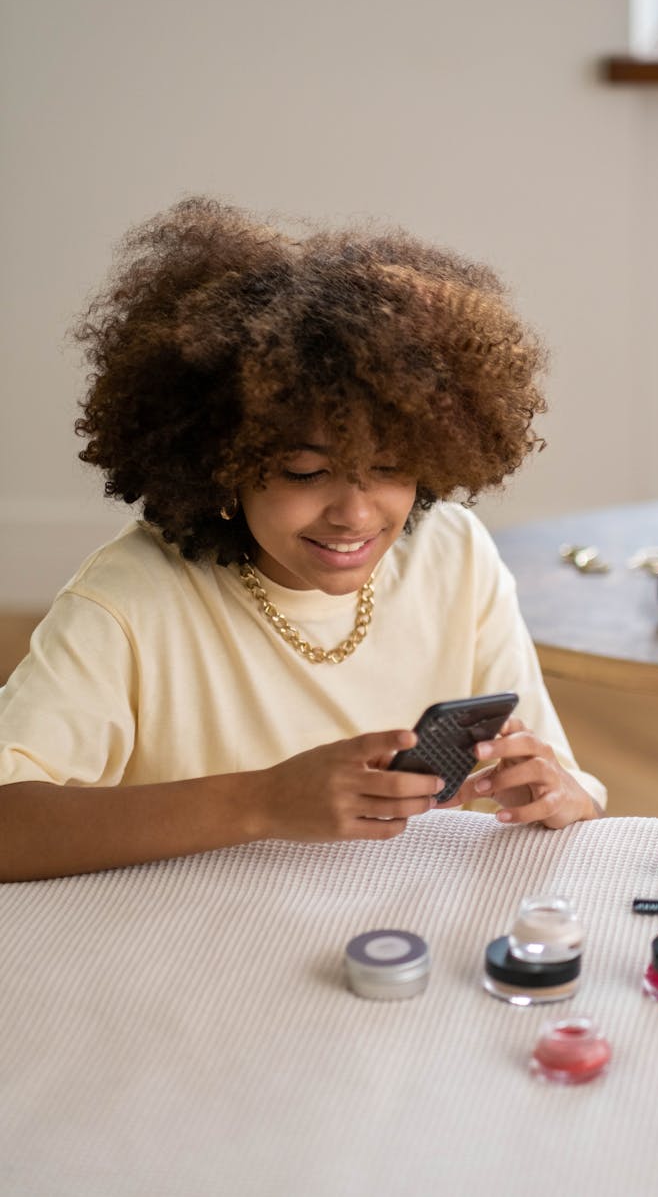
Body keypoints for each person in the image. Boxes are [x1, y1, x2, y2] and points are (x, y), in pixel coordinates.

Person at [0, 197, 605, 881]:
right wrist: (259, 801)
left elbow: (559, 780)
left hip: (403, 934)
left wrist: (560, 792)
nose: (354, 513)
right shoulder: (129, 598)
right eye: (305, 471)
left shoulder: (451, 551)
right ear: (222, 464)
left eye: (388, 468)